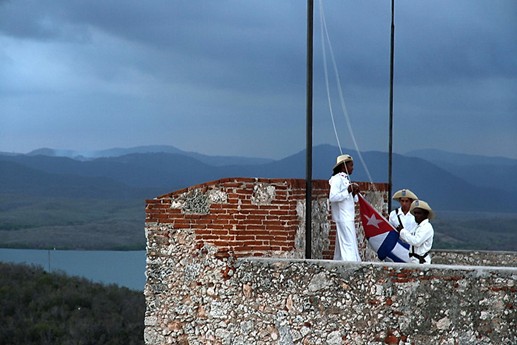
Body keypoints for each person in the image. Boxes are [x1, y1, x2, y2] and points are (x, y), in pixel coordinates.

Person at [329, 154, 361, 262]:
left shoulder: (345, 179)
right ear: (343, 167)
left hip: (348, 216)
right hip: (343, 217)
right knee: (349, 244)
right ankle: (352, 265)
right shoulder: (337, 179)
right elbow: (333, 197)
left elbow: (351, 199)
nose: (353, 168)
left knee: (342, 243)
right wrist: (347, 190)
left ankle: (337, 262)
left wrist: (353, 193)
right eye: (351, 165)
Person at [399, 200, 435, 264]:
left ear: (425, 214)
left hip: (421, 262)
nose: (416, 215)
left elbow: (416, 241)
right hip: (413, 260)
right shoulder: (416, 227)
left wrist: (402, 231)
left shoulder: (427, 227)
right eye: (415, 213)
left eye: (419, 213)